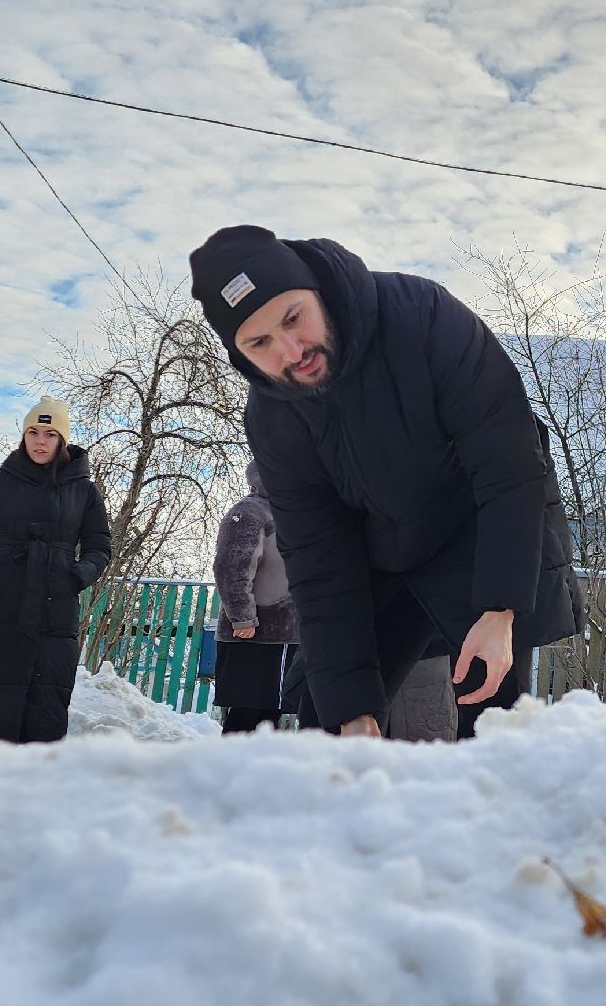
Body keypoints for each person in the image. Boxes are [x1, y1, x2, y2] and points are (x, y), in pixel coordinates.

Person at [188, 225, 585, 741]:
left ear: (316, 291)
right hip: (379, 556)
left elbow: (508, 461)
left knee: (489, 710)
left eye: (293, 318)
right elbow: (316, 552)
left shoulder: (421, 316)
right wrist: (352, 708)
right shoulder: (273, 419)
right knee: (330, 721)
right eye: (260, 342)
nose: (290, 350)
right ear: (240, 355)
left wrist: (499, 608)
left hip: (478, 535)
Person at [0, 396, 112, 743]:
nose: (40, 441)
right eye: (34, 432)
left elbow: (100, 547)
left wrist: (76, 576)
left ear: (62, 440)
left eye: (50, 434)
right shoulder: (2, 481)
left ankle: (34, 781)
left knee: (44, 699)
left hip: (56, 604)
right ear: (24, 436)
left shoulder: (83, 490)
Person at [212, 461, 298, 735]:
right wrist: (242, 617)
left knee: (269, 716)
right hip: (253, 632)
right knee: (246, 716)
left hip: (286, 634)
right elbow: (231, 565)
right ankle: (227, 774)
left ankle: (257, 774)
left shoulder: (295, 513)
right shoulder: (250, 511)